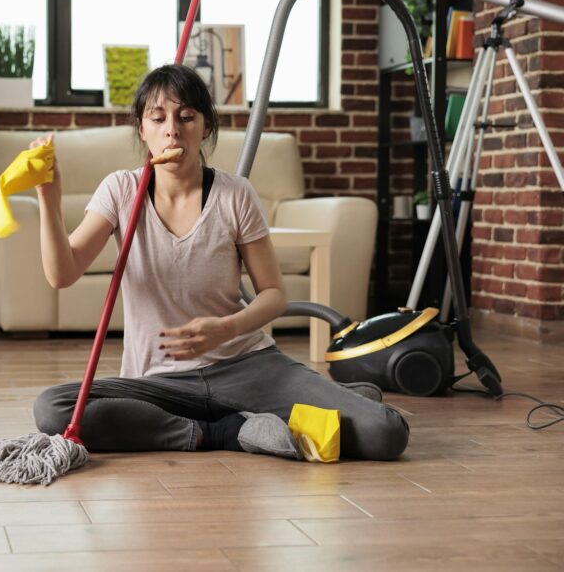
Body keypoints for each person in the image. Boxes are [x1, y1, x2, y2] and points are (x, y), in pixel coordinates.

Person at [31, 64, 409, 460]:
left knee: (385, 433)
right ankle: (222, 431)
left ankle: (320, 399)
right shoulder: (121, 190)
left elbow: (274, 295)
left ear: (206, 127)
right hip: (160, 384)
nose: (172, 130)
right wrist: (48, 200)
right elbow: (62, 273)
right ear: (142, 130)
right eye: (158, 119)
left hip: (247, 367)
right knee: (52, 409)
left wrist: (225, 329)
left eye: (186, 117)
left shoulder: (235, 194)